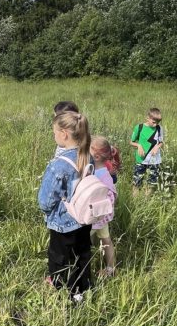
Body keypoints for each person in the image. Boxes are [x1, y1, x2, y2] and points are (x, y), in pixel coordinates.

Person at [38, 111, 93, 301]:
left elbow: (45, 200)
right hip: (85, 218)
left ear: (64, 134)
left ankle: (61, 289)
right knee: (82, 253)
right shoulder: (87, 155)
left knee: (59, 257)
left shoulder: (59, 164)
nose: (54, 136)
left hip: (63, 221)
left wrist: (47, 212)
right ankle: (82, 288)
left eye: (54, 132)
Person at [89, 136, 118, 277]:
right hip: (103, 218)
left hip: (93, 218)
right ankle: (110, 268)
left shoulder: (92, 174)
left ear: (96, 155)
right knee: (106, 240)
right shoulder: (106, 174)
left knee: (82, 244)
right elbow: (114, 196)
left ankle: (82, 270)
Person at [129, 107, 164, 195]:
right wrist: (139, 145)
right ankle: (135, 200)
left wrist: (157, 147)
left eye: (158, 122)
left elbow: (161, 142)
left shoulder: (159, 128)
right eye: (154, 122)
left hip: (154, 160)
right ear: (147, 118)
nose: (156, 124)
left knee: (151, 182)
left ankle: (147, 199)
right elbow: (131, 142)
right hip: (141, 159)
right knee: (137, 181)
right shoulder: (139, 127)